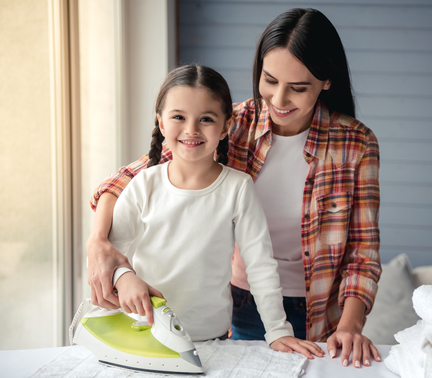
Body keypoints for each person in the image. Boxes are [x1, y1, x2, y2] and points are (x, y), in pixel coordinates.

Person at [87, 8, 381, 368]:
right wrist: (99, 242)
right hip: (241, 302)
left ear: (326, 81)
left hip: (320, 305)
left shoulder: (355, 143)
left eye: (298, 88)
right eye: (269, 80)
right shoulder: (233, 122)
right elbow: (128, 178)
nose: (278, 100)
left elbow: (362, 251)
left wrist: (351, 325)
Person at [104, 64, 324, 357]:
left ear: (226, 127)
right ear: (160, 122)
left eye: (206, 119)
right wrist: (124, 277)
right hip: (144, 330)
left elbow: (260, 265)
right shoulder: (144, 184)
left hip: (213, 339)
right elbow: (113, 251)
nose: (191, 130)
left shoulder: (239, 188)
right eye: (178, 117)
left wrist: (277, 331)